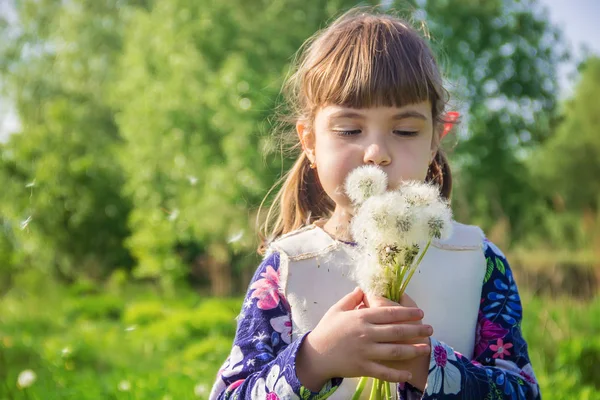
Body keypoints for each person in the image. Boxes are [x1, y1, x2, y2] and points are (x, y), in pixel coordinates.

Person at [209, 8, 540, 400]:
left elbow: (523, 393)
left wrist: (426, 366)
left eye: (404, 130)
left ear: (435, 139)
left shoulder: (478, 262)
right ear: (310, 141)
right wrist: (313, 361)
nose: (376, 153)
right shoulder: (286, 268)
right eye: (350, 129)